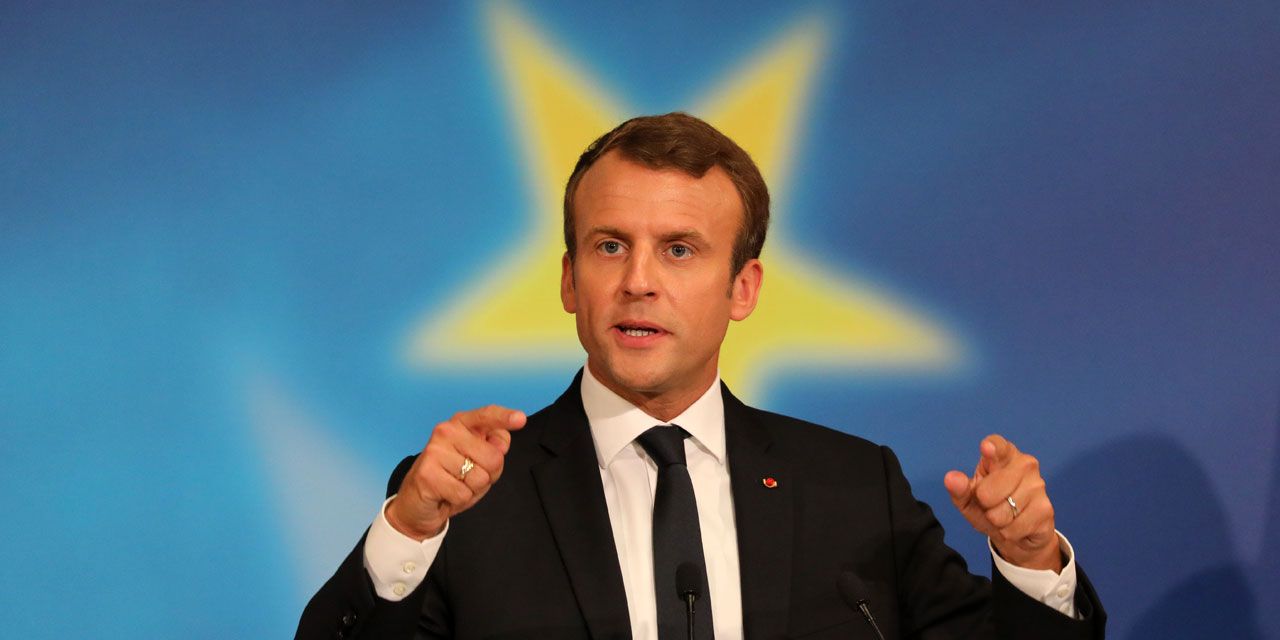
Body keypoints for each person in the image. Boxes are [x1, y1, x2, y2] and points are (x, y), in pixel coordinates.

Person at [296, 113, 1105, 639]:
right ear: (570, 280)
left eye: (679, 250)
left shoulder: (858, 492)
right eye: (610, 246)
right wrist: (407, 533)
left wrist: (1030, 558)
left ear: (742, 289)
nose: (638, 282)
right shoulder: (467, 501)